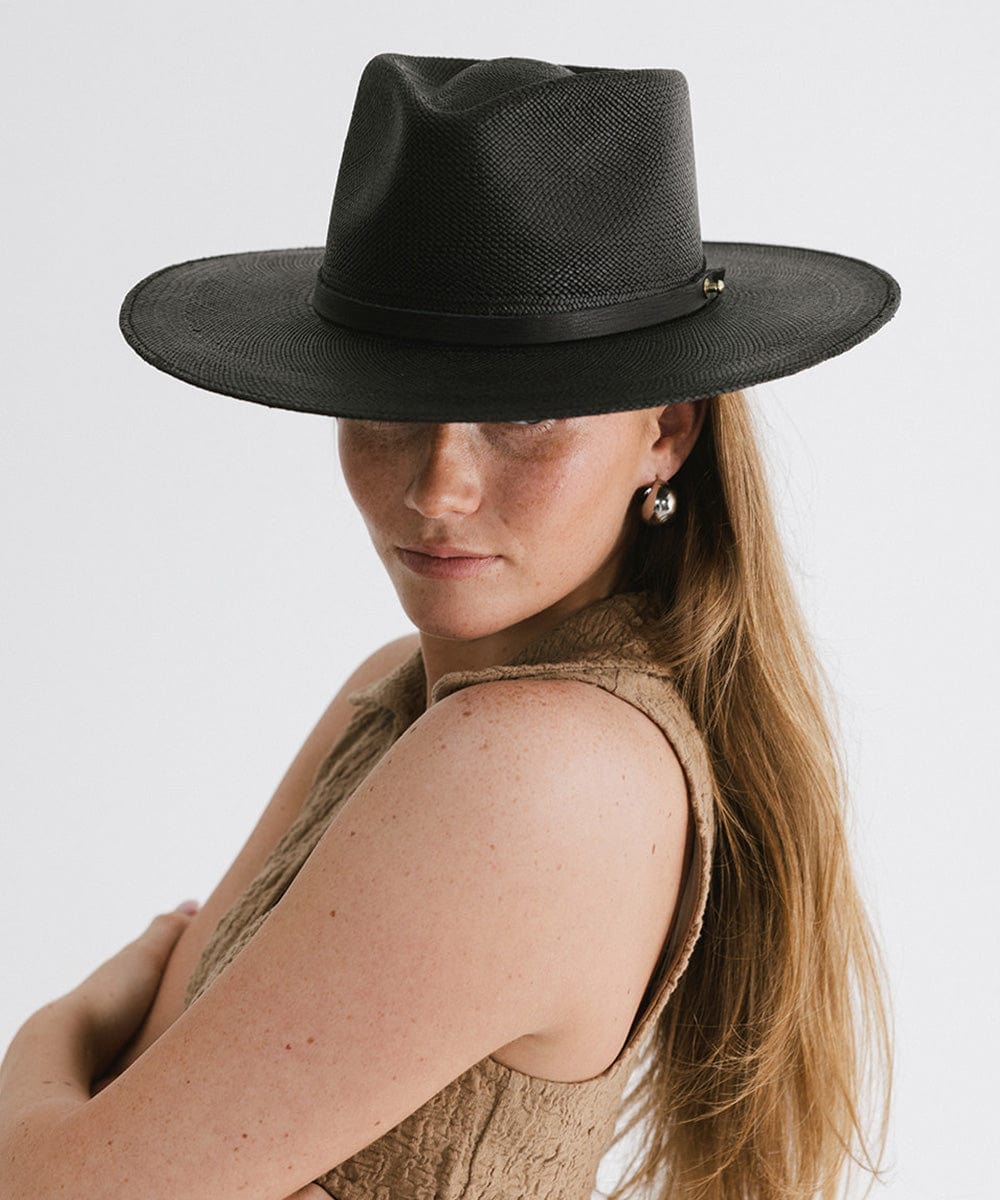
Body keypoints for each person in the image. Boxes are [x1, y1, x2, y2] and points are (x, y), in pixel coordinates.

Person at [0, 52, 899, 1200]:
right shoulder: (397, 697)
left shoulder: (539, 768)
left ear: (666, 433)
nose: (437, 487)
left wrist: (48, 1035)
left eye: (523, 415)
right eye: (395, 402)